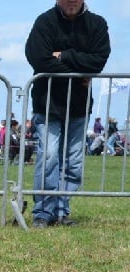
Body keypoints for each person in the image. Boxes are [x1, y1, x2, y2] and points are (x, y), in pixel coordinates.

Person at [25, 0, 110, 228]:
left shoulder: (97, 24)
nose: (71, 2)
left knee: (73, 163)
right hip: (47, 103)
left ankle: (61, 211)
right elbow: (39, 58)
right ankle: (43, 212)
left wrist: (63, 55)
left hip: (79, 106)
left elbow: (98, 61)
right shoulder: (44, 22)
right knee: (49, 156)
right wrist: (78, 71)